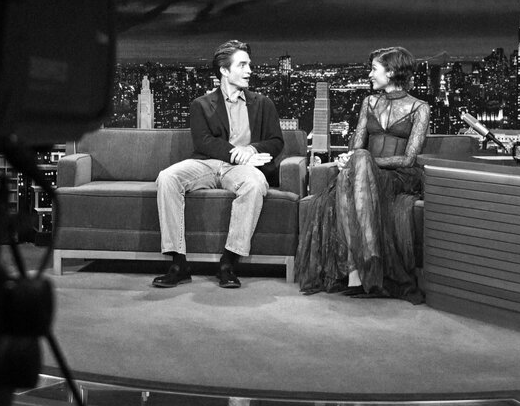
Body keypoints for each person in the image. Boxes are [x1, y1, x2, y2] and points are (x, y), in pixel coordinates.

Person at [295, 46, 431, 303]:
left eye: (374, 69)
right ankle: (366, 259)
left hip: (398, 176)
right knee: (355, 164)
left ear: (391, 72)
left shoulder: (420, 108)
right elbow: (357, 146)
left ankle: (362, 265)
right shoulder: (369, 102)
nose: (369, 74)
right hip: (362, 174)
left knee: (359, 162)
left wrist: (365, 160)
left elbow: (409, 159)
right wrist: (350, 158)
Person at [153, 40, 284, 290]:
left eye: (249, 65)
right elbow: (204, 141)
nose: (249, 70)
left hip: (243, 169)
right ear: (224, 70)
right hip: (208, 163)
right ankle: (178, 262)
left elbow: (276, 141)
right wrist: (237, 153)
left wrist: (251, 150)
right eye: (242, 65)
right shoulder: (201, 104)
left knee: (255, 184)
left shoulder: (263, 103)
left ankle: (228, 262)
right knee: (167, 177)